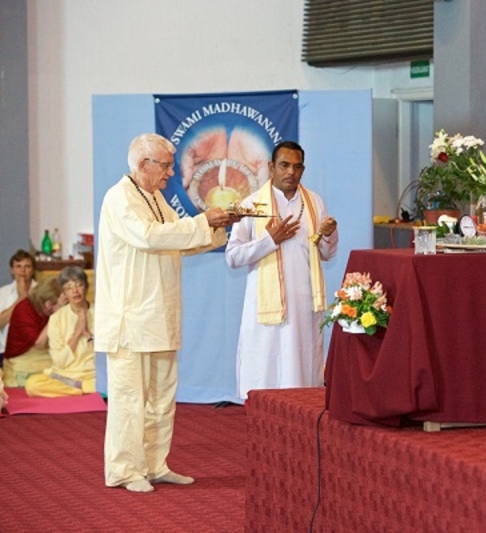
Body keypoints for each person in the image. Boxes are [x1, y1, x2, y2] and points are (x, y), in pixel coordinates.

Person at [95, 133, 237, 493]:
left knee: (161, 397)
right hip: (130, 317)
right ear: (143, 165)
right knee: (129, 399)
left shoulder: (156, 197)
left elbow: (178, 240)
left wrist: (215, 227)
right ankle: (125, 470)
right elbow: (149, 236)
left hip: (160, 313)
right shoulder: (119, 197)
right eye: (166, 165)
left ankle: (154, 463)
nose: (172, 173)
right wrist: (203, 221)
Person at [225, 140, 338, 399]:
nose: (291, 172)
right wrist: (269, 241)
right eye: (284, 165)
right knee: (268, 369)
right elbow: (232, 257)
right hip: (266, 309)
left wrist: (329, 235)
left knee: (302, 372)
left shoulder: (314, 203)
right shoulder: (253, 205)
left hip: (304, 306)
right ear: (271, 167)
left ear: (303, 169)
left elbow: (327, 254)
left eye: (297, 167)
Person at [25, 266, 96, 397]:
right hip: (65, 375)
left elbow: (104, 355)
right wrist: (77, 334)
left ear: (86, 287)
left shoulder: (100, 313)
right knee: (32, 385)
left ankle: (82, 387)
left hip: (93, 373)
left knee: (116, 380)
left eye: (79, 285)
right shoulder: (56, 318)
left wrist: (87, 334)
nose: (75, 291)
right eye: (69, 287)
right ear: (64, 293)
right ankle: (81, 389)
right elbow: (59, 361)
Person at [2, 277, 64, 387]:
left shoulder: (45, 307)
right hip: (23, 360)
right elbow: (39, 343)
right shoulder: (24, 309)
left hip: (46, 356)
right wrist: (55, 315)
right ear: (48, 304)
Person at [0, 250, 37, 366]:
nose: (22, 271)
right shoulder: (3, 292)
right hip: (5, 351)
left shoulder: (42, 291)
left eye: (27, 266)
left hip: (34, 352)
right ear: (12, 270)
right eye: (18, 266)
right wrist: (21, 299)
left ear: (33, 270)